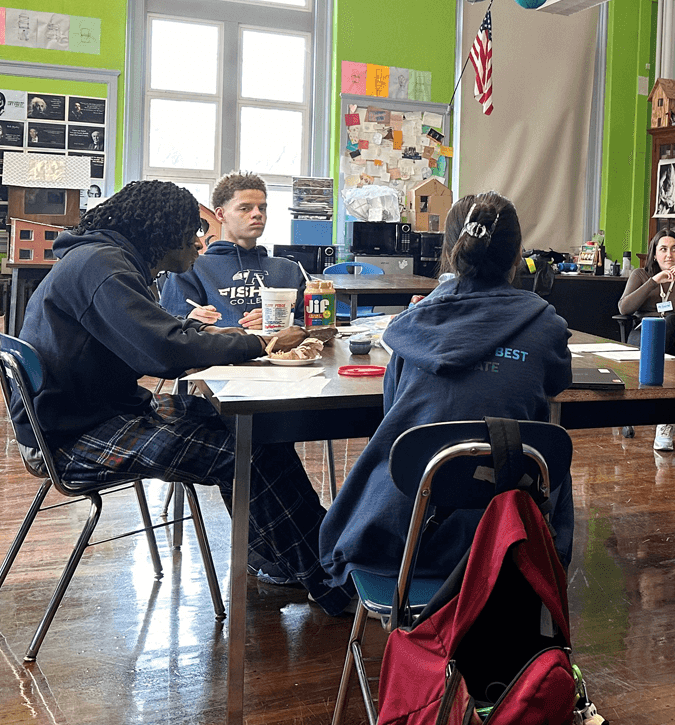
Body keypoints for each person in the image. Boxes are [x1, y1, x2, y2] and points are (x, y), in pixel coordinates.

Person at [10, 180, 353, 614]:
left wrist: (222, 336)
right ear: (161, 229)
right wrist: (257, 343)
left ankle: (291, 557)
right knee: (246, 452)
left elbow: (162, 333)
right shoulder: (105, 268)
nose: (199, 240)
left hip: (87, 412)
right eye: (191, 229)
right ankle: (332, 584)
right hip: (72, 436)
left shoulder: (104, 259)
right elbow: (165, 351)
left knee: (256, 430)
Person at [320, 192, 574, 586]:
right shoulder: (547, 326)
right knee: (544, 441)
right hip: (506, 539)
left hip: (403, 539)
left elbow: (394, 414)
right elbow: (557, 382)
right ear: (516, 255)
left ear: (450, 251)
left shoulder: (410, 327)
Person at [160, 171, 305, 328]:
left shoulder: (290, 270)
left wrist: (282, 322)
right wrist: (190, 320)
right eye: (245, 208)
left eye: (262, 208)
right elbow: (166, 328)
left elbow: (316, 324)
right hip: (218, 351)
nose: (257, 214)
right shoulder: (189, 268)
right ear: (221, 215)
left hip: (281, 351)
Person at [617, 228, 675, 451]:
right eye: (663, 249)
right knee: (661, 328)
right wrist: (654, 281)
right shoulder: (640, 275)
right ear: (654, 253)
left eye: (674, 249)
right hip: (644, 335)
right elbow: (624, 307)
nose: (669, 255)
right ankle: (664, 415)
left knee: (671, 322)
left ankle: (664, 420)